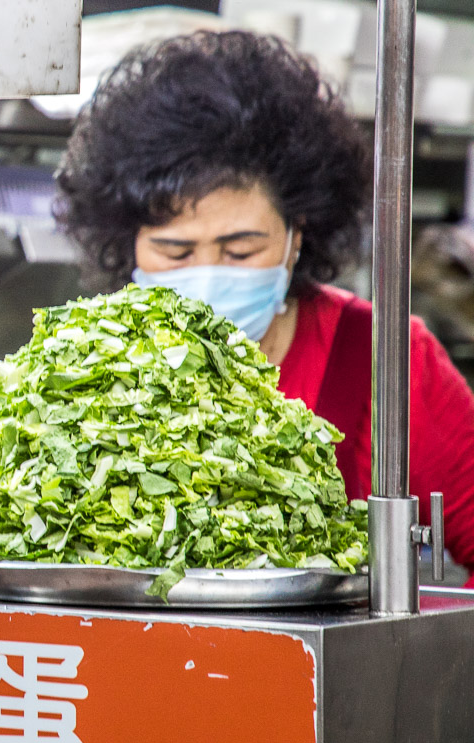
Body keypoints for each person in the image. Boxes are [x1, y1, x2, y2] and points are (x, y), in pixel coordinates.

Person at [54, 29, 474, 573]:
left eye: (241, 249)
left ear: (297, 236)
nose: (206, 278)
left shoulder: (387, 359)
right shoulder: (87, 374)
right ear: (128, 246)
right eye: (175, 252)